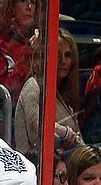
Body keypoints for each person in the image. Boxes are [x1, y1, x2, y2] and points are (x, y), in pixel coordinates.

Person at [14, 29, 84, 159]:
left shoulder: (63, 93)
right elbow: (37, 132)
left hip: (65, 160)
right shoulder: (33, 86)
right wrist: (66, 134)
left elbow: (77, 139)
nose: (63, 61)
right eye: (57, 54)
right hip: (37, 162)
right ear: (45, 56)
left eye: (68, 55)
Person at [0, 0, 41, 107]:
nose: (29, 7)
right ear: (11, 6)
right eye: (23, 0)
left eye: (33, 2)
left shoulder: (43, 43)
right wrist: (29, 55)